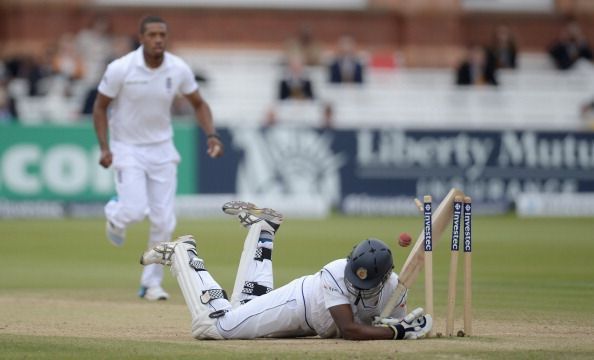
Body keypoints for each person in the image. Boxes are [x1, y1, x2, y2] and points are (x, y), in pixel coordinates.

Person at [139, 201, 433, 340]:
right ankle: (183, 254)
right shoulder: (334, 272)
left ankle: (263, 232)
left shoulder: (396, 288)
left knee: (245, 307)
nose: (354, 284)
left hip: (308, 326)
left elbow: (392, 323)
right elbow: (350, 330)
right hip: (296, 305)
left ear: (383, 280)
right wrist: (396, 332)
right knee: (215, 327)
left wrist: (403, 326)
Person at [93, 15, 224, 301]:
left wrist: (212, 135)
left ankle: (151, 283)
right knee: (134, 211)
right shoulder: (121, 68)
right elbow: (100, 107)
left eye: (162, 34)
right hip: (127, 147)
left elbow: (199, 103)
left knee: (164, 221)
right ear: (141, 38)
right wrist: (105, 147)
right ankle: (116, 214)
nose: (158, 39)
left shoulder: (177, 68)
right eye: (151, 34)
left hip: (162, 149)